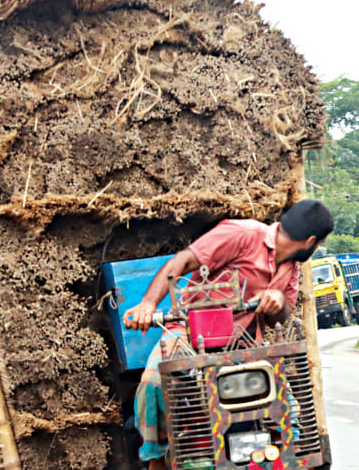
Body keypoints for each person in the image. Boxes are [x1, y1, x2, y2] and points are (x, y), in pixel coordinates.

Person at [122, 199, 333, 470]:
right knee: (153, 382)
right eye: (319, 244)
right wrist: (148, 304)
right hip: (189, 335)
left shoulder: (291, 267)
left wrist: (278, 299)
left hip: (244, 345)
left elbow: (280, 317)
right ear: (311, 241)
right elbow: (183, 260)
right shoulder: (243, 233)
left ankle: (287, 458)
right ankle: (156, 460)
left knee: (289, 410)